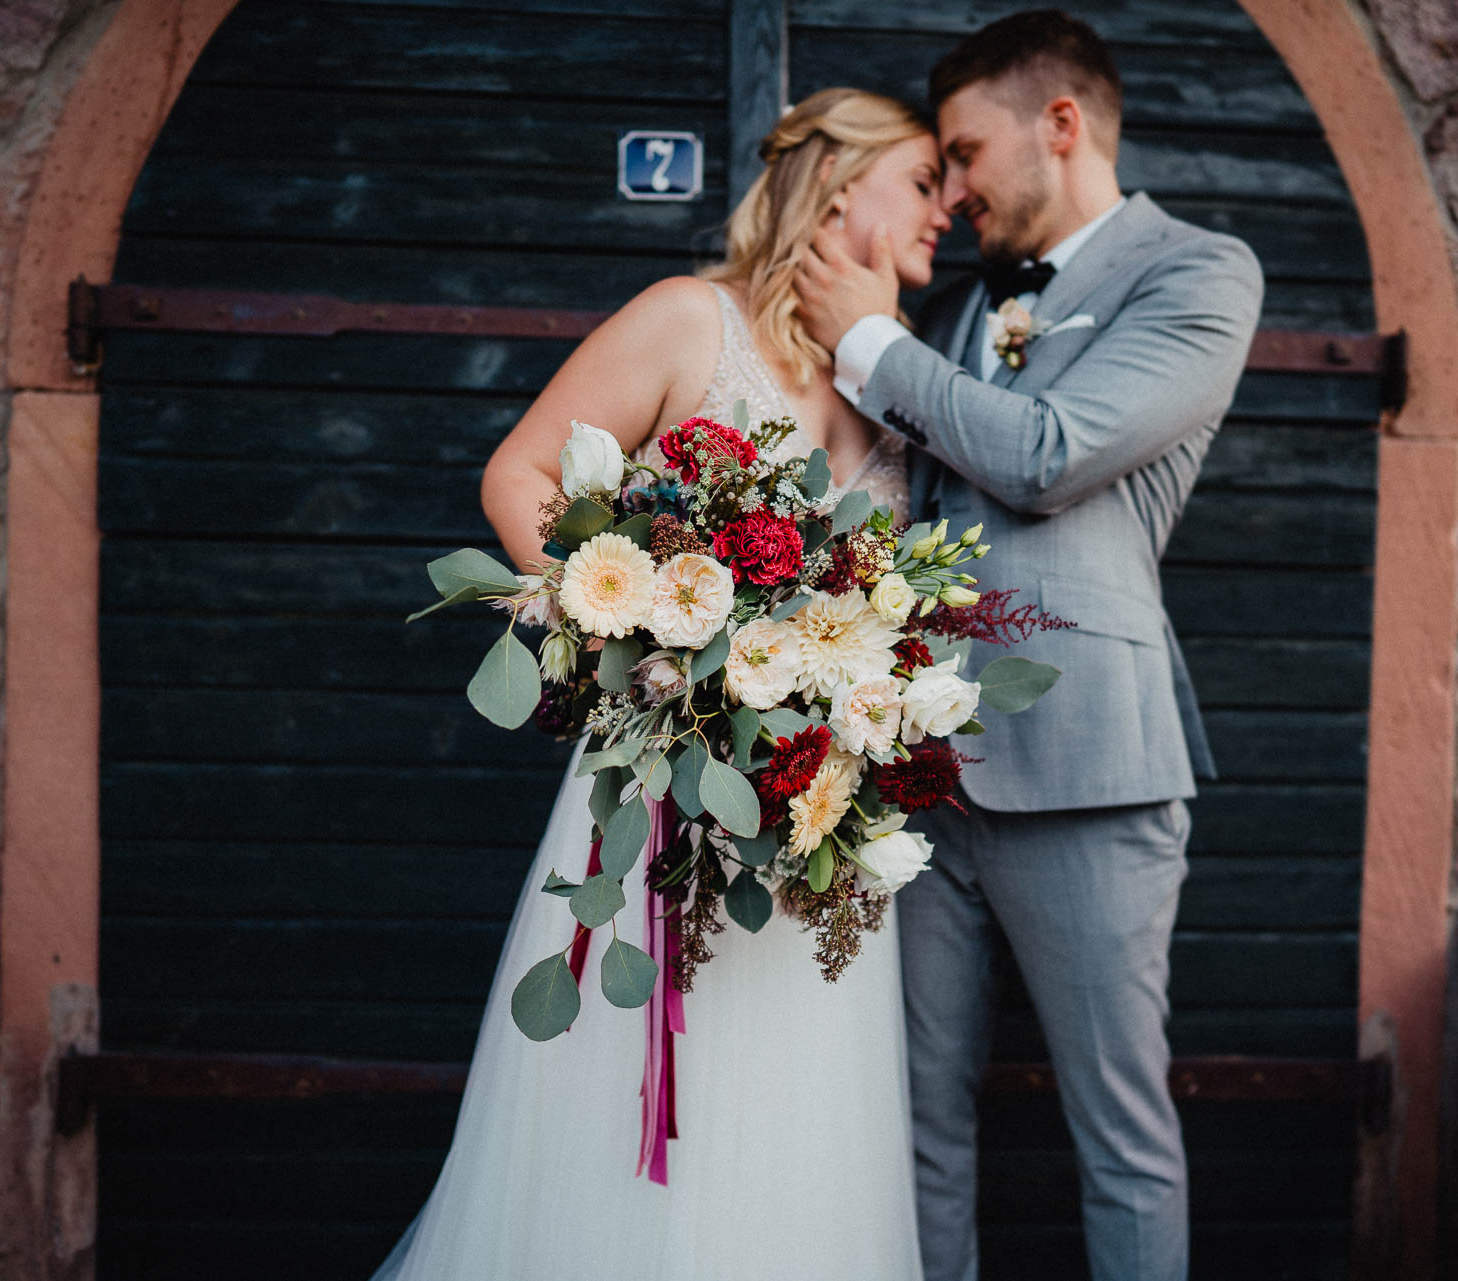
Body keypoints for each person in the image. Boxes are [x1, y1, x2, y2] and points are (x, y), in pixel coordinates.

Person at [370, 87, 948, 1281]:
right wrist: (635, 627)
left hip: (811, 828)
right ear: (845, 190)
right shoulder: (692, 320)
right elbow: (521, 472)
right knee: (626, 1114)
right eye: (928, 182)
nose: (951, 212)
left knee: (799, 1121)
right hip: (664, 791)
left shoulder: (899, 376)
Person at [794, 12, 1264, 1281]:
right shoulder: (956, 305)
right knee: (918, 1122)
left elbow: (1050, 458)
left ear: (1060, 125)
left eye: (962, 154)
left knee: (1118, 1132)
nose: (952, 191)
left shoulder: (1202, 274)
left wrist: (869, 342)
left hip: (1091, 776)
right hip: (919, 772)